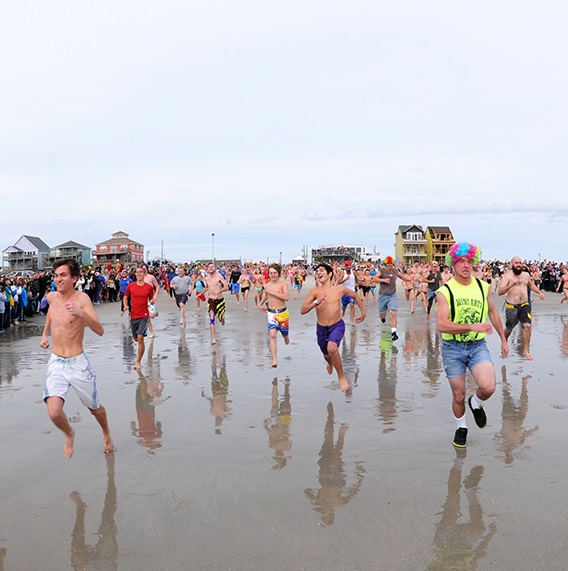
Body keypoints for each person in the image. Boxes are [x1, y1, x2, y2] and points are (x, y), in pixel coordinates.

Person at [436, 242, 509, 448]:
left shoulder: (482, 286)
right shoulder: (445, 291)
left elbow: (493, 312)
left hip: (477, 346)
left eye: (469, 262)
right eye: (461, 262)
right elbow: (442, 325)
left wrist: (503, 338)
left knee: (489, 387)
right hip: (453, 349)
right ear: (453, 264)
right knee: (458, 395)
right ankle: (461, 427)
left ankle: (475, 403)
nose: (466, 266)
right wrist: (471, 326)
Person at [40, 258, 114, 459]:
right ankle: (69, 433)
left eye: (63, 275)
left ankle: (106, 432)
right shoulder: (52, 297)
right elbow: (51, 315)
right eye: (56, 275)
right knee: (54, 412)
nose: (58, 279)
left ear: (74, 278)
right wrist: (44, 334)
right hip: (56, 361)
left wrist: (82, 314)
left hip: (78, 364)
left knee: (95, 409)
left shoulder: (82, 300)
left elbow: (100, 330)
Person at [300, 263, 366, 392]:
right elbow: (302, 310)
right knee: (326, 355)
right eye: (317, 271)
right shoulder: (315, 292)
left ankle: (341, 378)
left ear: (330, 274)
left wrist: (363, 312)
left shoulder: (339, 290)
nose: (318, 273)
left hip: (337, 325)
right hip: (321, 328)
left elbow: (355, 296)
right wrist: (315, 302)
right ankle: (329, 363)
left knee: (332, 348)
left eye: (321, 270)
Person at [498, 256, 545, 361]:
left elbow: (531, 285)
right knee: (509, 329)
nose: (519, 264)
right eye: (516, 263)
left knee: (528, 325)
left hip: (524, 304)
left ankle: (525, 350)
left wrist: (539, 293)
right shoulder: (507, 276)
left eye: (520, 263)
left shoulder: (526, 275)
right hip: (511, 306)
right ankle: (504, 342)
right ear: (512, 264)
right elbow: (500, 292)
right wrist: (510, 285)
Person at [122, 267, 156, 369]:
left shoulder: (148, 287)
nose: (138, 274)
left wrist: (152, 306)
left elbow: (152, 299)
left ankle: (138, 361)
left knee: (140, 338)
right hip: (133, 315)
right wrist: (125, 305)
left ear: (144, 273)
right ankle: (138, 341)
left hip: (144, 315)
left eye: (140, 272)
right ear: (135, 274)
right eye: (137, 272)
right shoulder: (131, 286)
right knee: (136, 339)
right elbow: (125, 297)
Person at [258, 263, 290, 368]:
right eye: (271, 273)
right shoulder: (267, 285)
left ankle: (285, 336)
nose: (273, 275)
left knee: (284, 332)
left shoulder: (283, 284)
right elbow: (266, 295)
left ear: (279, 273)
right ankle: (275, 360)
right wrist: (260, 304)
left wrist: (272, 292)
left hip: (283, 313)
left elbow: (286, 297)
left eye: (275, 273)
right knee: (272, 335)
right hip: (271, 313)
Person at [374, 256, 412, 341]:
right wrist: (383, 280)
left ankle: (394, 333)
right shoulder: (382, 271)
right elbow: (374, 278)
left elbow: (401, 276)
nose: (389, 265)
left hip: (392, 295)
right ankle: (383, 318)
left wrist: (409, 280)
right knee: (382, 315)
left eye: (391, 263)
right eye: (388, 263)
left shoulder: (395, 271)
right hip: (382, 296)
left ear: (393, 264)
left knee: (392, 313)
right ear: (385, 264)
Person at [202, 262, 229, 345]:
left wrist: (219, 290)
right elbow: (207, 287)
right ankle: (213, 339)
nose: (211, 268)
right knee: (212, 318)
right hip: (211, 300)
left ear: (215, 268)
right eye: (209, 267)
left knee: (220, 317)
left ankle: (222, 318)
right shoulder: (206, 278)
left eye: (212, 267)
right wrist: (201, 293)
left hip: (220, 300)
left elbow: (226, 287)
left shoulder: (219, 276)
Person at [141, 264, 160, 338]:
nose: (144, 270)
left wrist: (156, 295)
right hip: (143, 298)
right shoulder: (140, 278)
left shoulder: (151, 277)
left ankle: (155, 313)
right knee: (147, 316)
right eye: (142, 269)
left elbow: (157, 286)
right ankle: (151, 332)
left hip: (151, 297)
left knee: (151, 316)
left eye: (145, 268)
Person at [336, 260, 357, 327]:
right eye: (346, 265)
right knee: (344, 306)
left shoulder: (353, 272)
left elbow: (356, 279)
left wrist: (359, 283)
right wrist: (345, 279)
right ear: (344, 266)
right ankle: (344, 310)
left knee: (352, 305)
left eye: (349, 265)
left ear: (351, 266)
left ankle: (352, 320)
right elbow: (338, 282)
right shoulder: (342, 272)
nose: (348, 267)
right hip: (344, 292)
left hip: (352, 291)